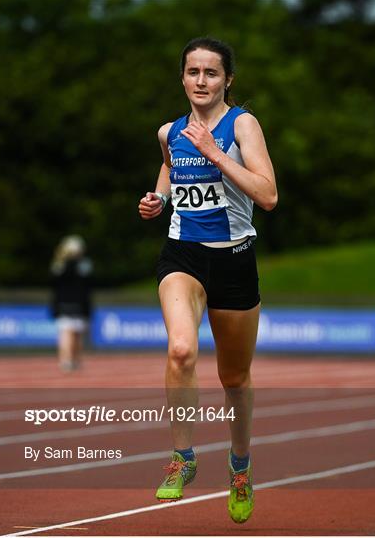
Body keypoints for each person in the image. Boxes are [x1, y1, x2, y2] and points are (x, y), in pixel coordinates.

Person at [138, 37, 277, 523]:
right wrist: (158, 200)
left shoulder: (243, 124)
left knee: (234, 378)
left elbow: (269, 196)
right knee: (180, 349)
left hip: (235, 262)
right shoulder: (168, 131)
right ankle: (183, 457)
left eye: (211, 73)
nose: (201, 81)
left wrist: (216, 154)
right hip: (184, 256)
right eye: (193, 72)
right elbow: (170, 169)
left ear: (227, 80)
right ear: (182, 77)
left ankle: (240, 465)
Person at [50, 235, 93, 372]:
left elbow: (54, 285)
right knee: (77, 334)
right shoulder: (84, 267)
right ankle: (75, 360)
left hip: (63, 304)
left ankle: (66, 360)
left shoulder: (59, 266)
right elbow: (88, 287)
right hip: (79, 305)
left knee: (66, 333)